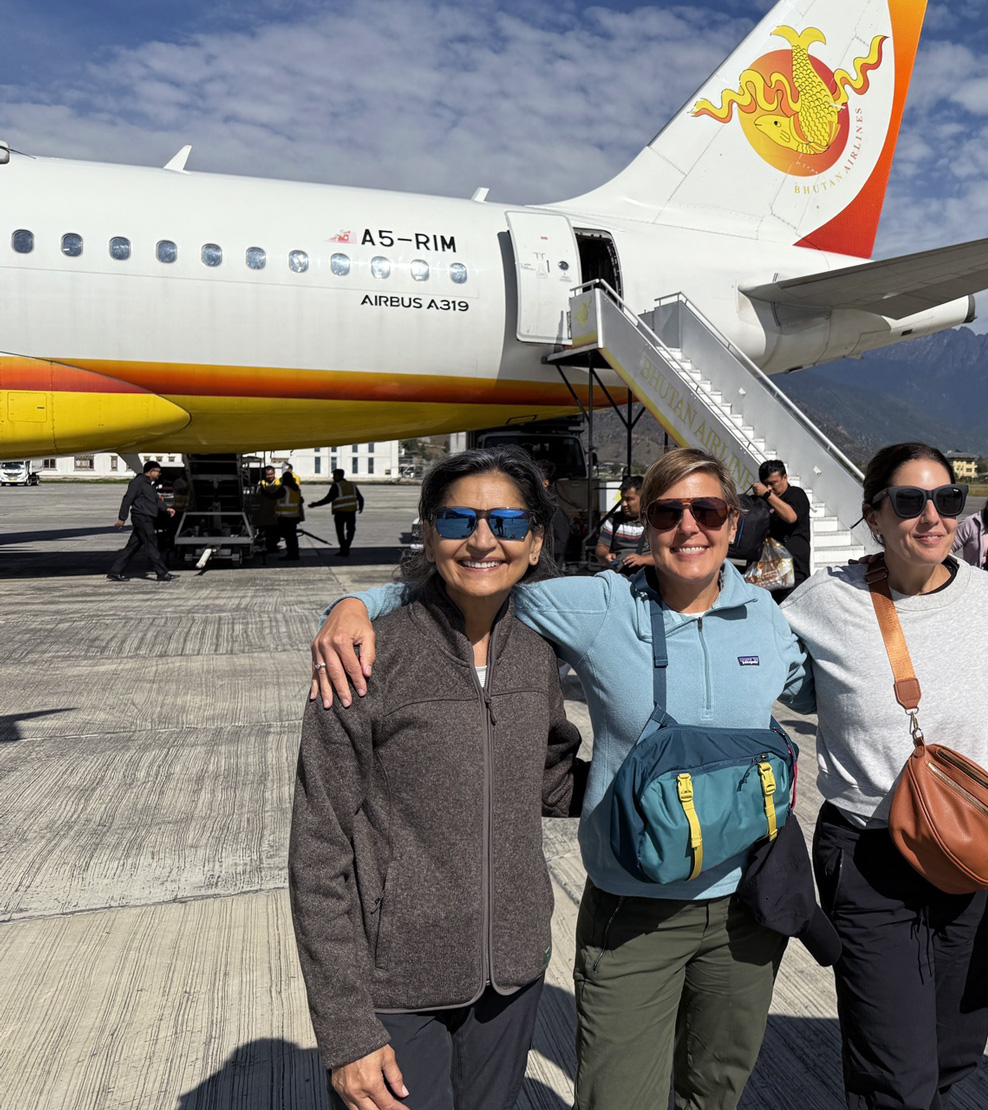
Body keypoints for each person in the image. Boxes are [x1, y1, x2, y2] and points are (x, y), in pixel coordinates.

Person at [310, 448, 810, 1110]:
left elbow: (821, 689)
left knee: (715, 1091)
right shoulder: (597, 604)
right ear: (647, 523)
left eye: (708, 510)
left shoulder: (765, 615)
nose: (690, 527)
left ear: (732, 519)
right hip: (636, 906)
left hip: (747, 902)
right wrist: (355, 603)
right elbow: (481, 577)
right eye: (669, 511)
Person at [290, 448, 586, 1110]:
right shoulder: (364, 658)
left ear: (534, 543)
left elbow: (549, 780)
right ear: (429, 534)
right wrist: (346, 1034)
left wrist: (650, 782)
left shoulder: (537, 656)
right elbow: (317, 851)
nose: (483, 540)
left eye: (507, 522)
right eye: (459, 520)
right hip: (395, 982)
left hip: (511, 976)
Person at [781, 442, 988, 1109]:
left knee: (950, 1055)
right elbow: (747, 657)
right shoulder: (823, 602)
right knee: (896, 1074)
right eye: (909, 502)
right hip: (870, 856)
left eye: (947, 500)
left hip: (978, 857)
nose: (931, 517)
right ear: (874, 515)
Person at [109, 459, 175, 582]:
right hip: (142, 518)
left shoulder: (149, 484)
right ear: (150, 472)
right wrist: (122, 518)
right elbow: (127, 499)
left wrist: (166, 509)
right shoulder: (137, 483)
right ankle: (162, 573)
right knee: (151, 544)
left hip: (147, 518)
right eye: (157, 472)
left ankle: (115, 571)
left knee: (132, 547)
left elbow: (155, 500)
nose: (159, 474)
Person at [756, 459, 810, 600]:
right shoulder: (764, 502)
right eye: (765, 484)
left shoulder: (796, 494)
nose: (769, 488)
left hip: (794, 573)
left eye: (773, 483)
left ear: (784, 478)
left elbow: (791, 516)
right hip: (770, 573)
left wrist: (767, 495)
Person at [594, 475, 648, 571]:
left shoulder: (655, 522)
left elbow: (668, 556)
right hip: (619, 575)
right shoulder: (614, 521)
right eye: (622, 499)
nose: (623, 504)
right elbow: (601, 546)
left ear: (644, 499)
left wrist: (644, 560)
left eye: (629, 499)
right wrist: (605, 556)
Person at [308, 468, 365, 556]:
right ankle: (347, 546)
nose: (333, 478)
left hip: (340, 513)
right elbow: (360, 497)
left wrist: (316, 504)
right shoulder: (352, 485)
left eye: (334, 476)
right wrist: (361, 507)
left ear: (338, 476)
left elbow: (328, 499)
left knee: (340, 531)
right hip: (351, 512)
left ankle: (344, 548)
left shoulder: (336, 486)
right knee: (351, 530)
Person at [277, 468, 306, 561]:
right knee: (292, 537)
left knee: (289, 538)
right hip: (294, 516)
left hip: (285, 517)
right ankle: (294, 553)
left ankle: (291, 554)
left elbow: (273, 496)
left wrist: (264, 492)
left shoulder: (284, 489)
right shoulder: (296, 488)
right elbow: (300, 501)